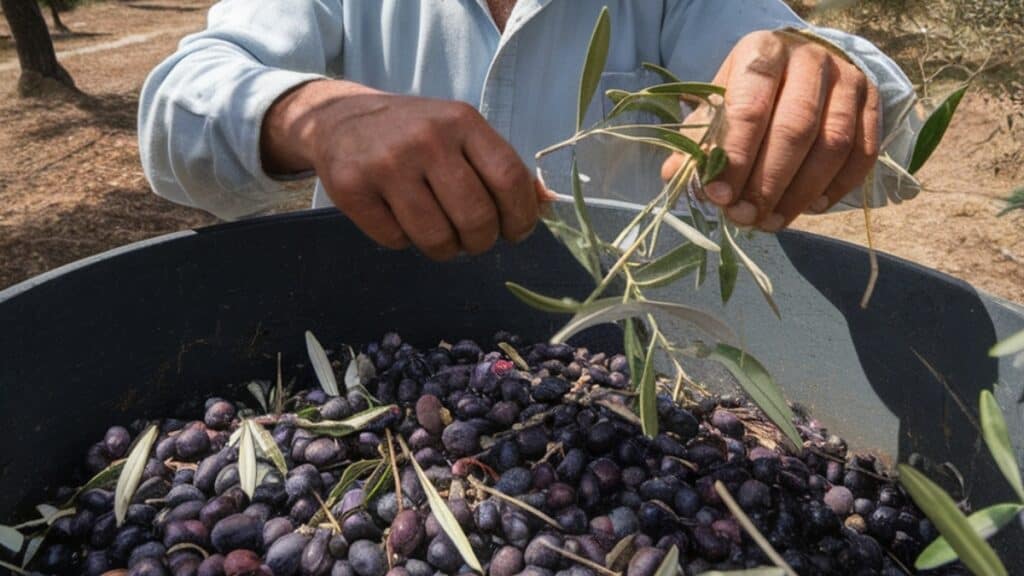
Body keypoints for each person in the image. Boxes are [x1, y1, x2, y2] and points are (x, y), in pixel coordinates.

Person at [139, 1, 918, 261]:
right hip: (371, 371)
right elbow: (177, 111)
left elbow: (876, 119)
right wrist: (307, 115)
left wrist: (819, 80)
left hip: (635, 383)